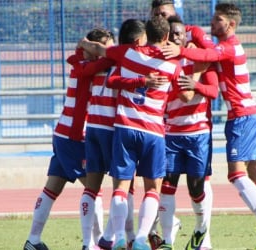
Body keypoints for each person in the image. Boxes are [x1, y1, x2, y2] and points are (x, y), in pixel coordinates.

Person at [161, 3, 256, 250]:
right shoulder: (223, 45)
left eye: (217, 20)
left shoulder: (229, 47)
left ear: (230, 24)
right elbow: (203, 48)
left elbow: (208, 55)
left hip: (242, 117)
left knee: (236, 174)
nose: (212, 24)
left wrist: (180, 50)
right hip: (250, 115)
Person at [79, 16, 193, 250]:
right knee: (152, 189)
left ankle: (120, 236)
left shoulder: (126, 54)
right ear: (166, 38)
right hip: (153, 131)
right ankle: (141, 239)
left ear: (145, 35)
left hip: (125, 128)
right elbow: (185, 96)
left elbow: (101, 51)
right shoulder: (172, 65)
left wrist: (83, 43)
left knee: (120, 187)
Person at [23, 28, 114, 250]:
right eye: (102, 46)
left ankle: (33, 240)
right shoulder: (85, 65)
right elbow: (108, 59)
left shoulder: (83, 63)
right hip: (74, 137)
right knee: (94, 190)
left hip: (63, 135)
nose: (106, 51)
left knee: (52, 187)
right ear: (90, 48)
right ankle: (93, 242)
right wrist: (117, 54)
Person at [150, 1, 216, 249]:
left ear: (185, 35)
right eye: (172, 34)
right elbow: (177, 95)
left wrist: (196, 80)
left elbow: (213, 90)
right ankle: (167, 240)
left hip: (199, 133)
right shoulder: (163, 62)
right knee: (167, 186)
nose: (175, 37)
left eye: (180, 34)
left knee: (197, 188)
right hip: (171, 134)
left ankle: (202, 231)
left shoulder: (198, 55)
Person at [79, 19, 147, 250]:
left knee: (92, 187)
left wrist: (85, 45)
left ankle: (89, 243)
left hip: (93, 128)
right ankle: (117, 236)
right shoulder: (118, 61)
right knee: (124, 186)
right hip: (112, 129)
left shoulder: (89, 67)